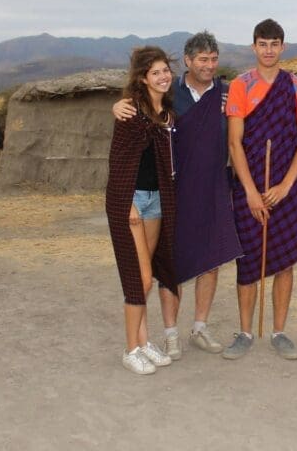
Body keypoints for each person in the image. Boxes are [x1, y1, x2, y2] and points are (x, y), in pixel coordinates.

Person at [111, 31, 243, 359]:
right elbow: (133, 122)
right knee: (169, 262)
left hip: (210, 188)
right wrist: (118, 104)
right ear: (188, 61)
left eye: (213, 59)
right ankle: (168, 334)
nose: (209, 65)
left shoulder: (227, 95)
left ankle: (199, 326)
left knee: (210, 261)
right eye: (202, 59)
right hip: (172, 193)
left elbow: (240, 137)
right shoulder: (171, 93)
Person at [223, 18, 297, 361]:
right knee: (247, 261)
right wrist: (249, 191)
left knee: (285, 260)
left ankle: (279, 331)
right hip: (249, 184)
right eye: (262, 44)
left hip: (286, 187)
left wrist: (285, 185)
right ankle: (245, 332)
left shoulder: (296, 87)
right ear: (254, 47)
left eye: (274, 44)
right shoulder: (240, 85)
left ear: (283, 47)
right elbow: (234, 144)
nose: (268, 50)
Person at [105, 46, 179, 375]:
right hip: (132, 199)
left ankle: (144, 341)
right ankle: (130, 348)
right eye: (156, 72)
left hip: (157, 200)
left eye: (166, 71)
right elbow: (118, 161)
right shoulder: (130, 113)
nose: (163, 77)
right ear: (142, 78)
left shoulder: (167, 115)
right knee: (141, 278)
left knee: (146, 278)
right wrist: (128, 202)